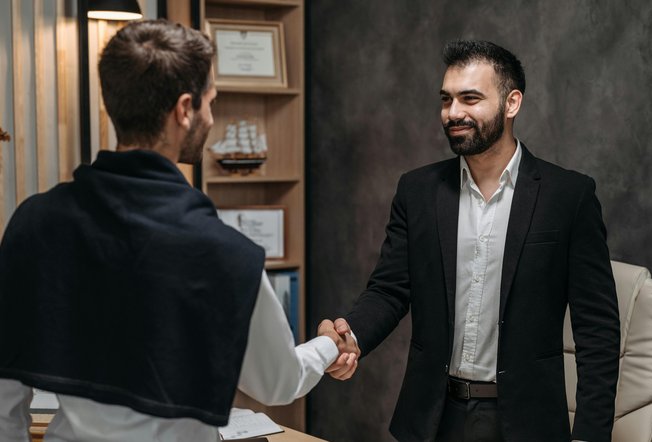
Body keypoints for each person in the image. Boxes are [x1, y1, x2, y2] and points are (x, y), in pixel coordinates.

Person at [0, 19, 356, 441]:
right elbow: (277, 382)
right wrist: (330, 344)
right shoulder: (224, 252)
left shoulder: (34, 222)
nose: (210, 115)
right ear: (185, 110)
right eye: (210, 102)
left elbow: (5, 398)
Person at [329, 40, 620, 441]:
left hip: (526, 423)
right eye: (446, 100)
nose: (453, 113)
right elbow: (389, 289)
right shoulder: (417, 191)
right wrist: (353, 336)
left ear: (511, 103)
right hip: (432, 418)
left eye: (470, 98)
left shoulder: (568, 197)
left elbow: (597, 329)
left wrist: (590, 434)